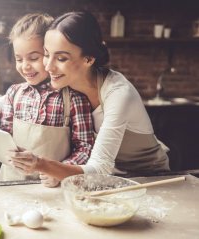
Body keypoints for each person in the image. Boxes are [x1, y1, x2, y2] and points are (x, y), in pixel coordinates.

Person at [9, 11, 170, 184]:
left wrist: (42, 165)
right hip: (106, 177)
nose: (48, 66)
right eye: (47, 54)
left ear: (89, 59)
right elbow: (18, 93)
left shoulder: (119, 94)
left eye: (61, 58)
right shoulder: (66, 77)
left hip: (148, 177)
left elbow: (100, 168)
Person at [0, 13, 94, 185]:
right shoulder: (14, 93)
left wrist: (61, 171)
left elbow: (85, 147)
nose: (25, 66)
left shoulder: (74, 99)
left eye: (34, 58)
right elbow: (6, 136)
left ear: (49, 53)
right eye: (19, 59)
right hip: (11, 183)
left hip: (52, 189)